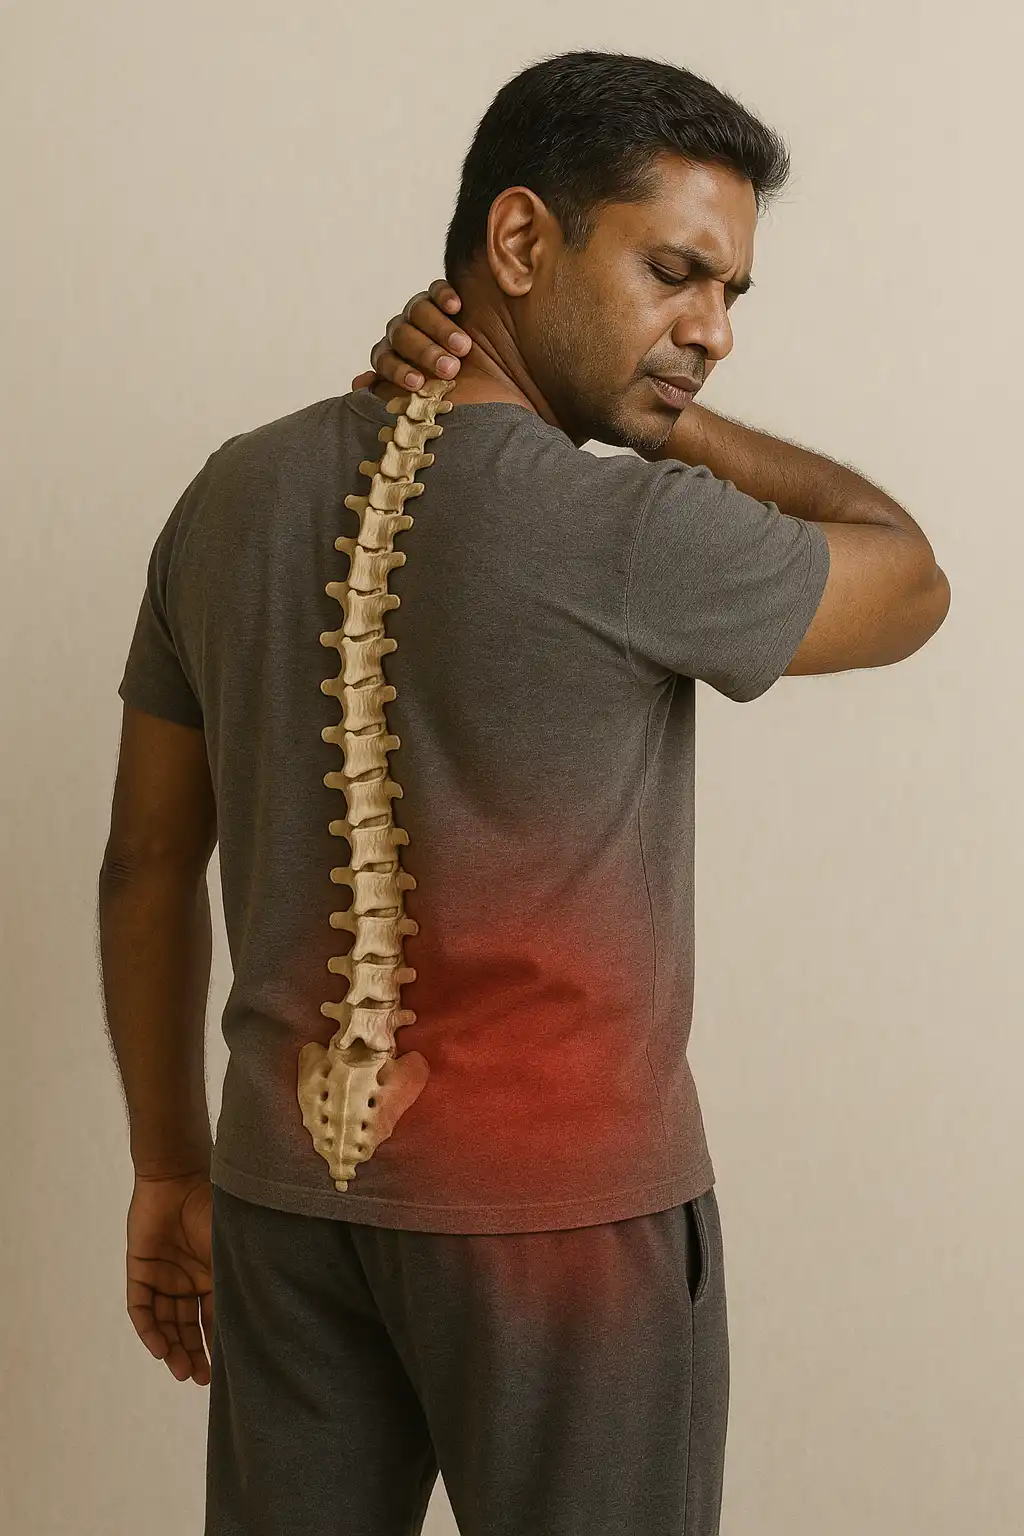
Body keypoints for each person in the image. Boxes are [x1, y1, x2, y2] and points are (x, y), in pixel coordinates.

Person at [98, 49, 950, 1536]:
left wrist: (169, 1166)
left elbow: (146, 863)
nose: (713, 331)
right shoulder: (632, 529)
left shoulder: (227, 495)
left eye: (732, 294)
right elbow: (912, 577)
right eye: (676, 273)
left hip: (285, 1202)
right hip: (566, 1229)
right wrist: (671, 426)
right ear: (517, 241)